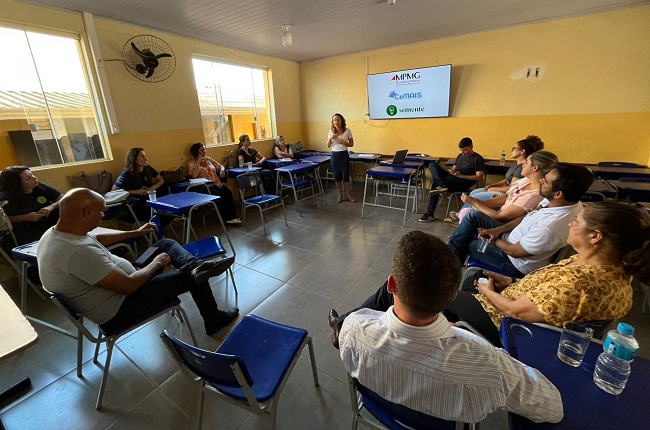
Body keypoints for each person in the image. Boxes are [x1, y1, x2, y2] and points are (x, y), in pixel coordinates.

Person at [328, 231, 563, 424]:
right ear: (453, 295)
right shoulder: (488, 363)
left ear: (391, 285)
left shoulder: (352, 328)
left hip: (376, 409)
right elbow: (552, 409)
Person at [37, 188, 239, 335]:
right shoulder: (76, 253)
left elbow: (96, 238)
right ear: (86, 213)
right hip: (121, 307)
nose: (102, 215)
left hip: (123, 284)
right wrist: (155, 264)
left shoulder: (58, 232)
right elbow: (128, 286)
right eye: (100, 212)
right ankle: (213, 319)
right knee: (192, 278)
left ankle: (196, 267)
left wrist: (136, 232)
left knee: (165, 243)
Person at [444, 201, 649, 345]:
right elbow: (548, 289)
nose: (571, 224)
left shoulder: (579, 282)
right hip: (520, 302)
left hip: (512, 327)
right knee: (474, 277)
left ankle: (452, 336)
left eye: (577, 221)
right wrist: (509, 280)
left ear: (595, 236)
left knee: (441, 296)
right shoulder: (611, 270)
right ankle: (457, 329)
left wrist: (487, 291)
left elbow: (516, 312)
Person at [448, 162, 595, 276]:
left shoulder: (551, 226)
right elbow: (526, 217)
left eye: (546, 181)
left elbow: (514, 251)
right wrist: (498, 230)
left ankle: (447, 268)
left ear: (558, 194)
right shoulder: (560, 201)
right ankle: (448, 260)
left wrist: (492, 238)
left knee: (466, 243)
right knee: (473, 216)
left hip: (513, 262)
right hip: (511, 238)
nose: (541, 180)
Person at [448, 151, 557, 225]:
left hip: (501, 222)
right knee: (469, 207)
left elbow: (501, 217)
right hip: (501, 209)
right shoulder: (525, 181)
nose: (523, 162)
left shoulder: (533, 195)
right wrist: (477, 202)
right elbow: (507, 195)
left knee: (469, 211)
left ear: (535, 167)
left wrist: (476, 203)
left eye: (527, 161)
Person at [419, 137, 485, 222]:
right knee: (432, 165)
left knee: (436, 184)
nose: (463, 152)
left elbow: (479, 177)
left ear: (471, 146)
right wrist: (452, 171)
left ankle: (429, 213)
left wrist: (461, 176)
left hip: (463, 182)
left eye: (465, 150)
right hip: (453, 177)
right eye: (461, 150)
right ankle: (441, 185)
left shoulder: (478, 159)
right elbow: (454, 168)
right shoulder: (460, 156)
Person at [0, 166, 62, 246]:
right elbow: (3, 220)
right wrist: (25, 217)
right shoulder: (5, 198)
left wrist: (51, 207)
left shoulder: (39, 186)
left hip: (51, 225)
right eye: (28, 178)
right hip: (25, 231)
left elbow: (63, 199)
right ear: (17, 184)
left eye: (32, 175)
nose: (35, 178)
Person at [471, 135, 544, 198]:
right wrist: (493, 185)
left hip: (507, 193)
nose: (511, 151)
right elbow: (507, 179)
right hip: (503, 188)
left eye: (514, 149)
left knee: (475, 196)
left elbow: (513, 188)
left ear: (522, 151)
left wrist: (493, 189)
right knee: (473, 192)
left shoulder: (522, 167)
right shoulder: (516, 162)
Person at [187, 143, 242, 225]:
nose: (204, 151)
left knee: (228, 193)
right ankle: (227, 218)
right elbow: (194, 175)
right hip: (206, 187)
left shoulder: (208, 159)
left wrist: (222, 170)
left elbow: (220, 166)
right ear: (196, 152)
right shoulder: (191, 163)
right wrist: (199, 160)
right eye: (202, 150)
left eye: (204, 149)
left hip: (217, 184)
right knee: (219, 197)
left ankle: (233, 216)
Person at [112, 147, 167, 221]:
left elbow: (161, 180)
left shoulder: (147, 168)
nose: (146, 159)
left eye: (145, 156)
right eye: (142, 156)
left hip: (148, 195)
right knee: (153, 212)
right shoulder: (126, 174)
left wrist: (154, 187)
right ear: (134, 159)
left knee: (165, 196)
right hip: (136, 201)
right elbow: (113, 192)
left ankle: (157, 228)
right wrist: (136, 191)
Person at [326, 113, 355, 203]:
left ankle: (348, 194)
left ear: (342, 120)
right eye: (334, 120)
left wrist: (344, 142)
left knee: (346, 176)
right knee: (337, 176)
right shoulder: (331, 131)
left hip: (344, 155)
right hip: (335, 156)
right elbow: (328, 145)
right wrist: (330, 138)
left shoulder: (347, 131)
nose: (336, 122)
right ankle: (340, 195)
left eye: (338, 120)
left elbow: (352, 144)